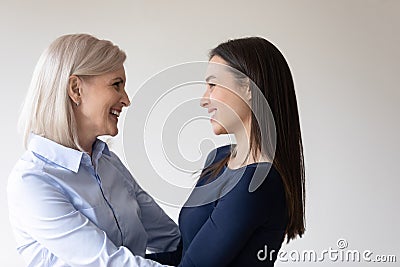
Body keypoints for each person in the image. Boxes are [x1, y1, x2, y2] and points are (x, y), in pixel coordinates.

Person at [7, 33, 181, 266]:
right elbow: (109, 263)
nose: (126, 100)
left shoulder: (109, 165)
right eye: (116, 85)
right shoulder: (33, 181)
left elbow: (171, 239)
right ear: (76, 89)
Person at [177, 37, 306, 266]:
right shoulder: (218, 157)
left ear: (247, 88)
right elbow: (182, 252)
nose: (203, 100)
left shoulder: (258, 182)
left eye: (212, 85)